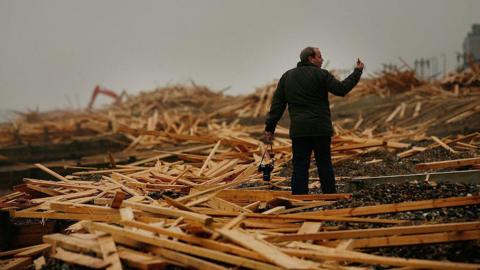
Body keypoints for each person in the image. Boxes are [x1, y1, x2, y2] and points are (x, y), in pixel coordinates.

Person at [264, 47, 364, 194]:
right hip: (320, 129)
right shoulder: (321, 74)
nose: (322, 59)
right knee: (324, 163)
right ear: (311, 59)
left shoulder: (287, 77)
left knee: (299, 165)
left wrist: (270, 128)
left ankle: (299, 197)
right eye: (319, 57)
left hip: (300, 130)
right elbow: (341, 89)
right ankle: (330, 196)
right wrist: (357, 71)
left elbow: (277, 105)